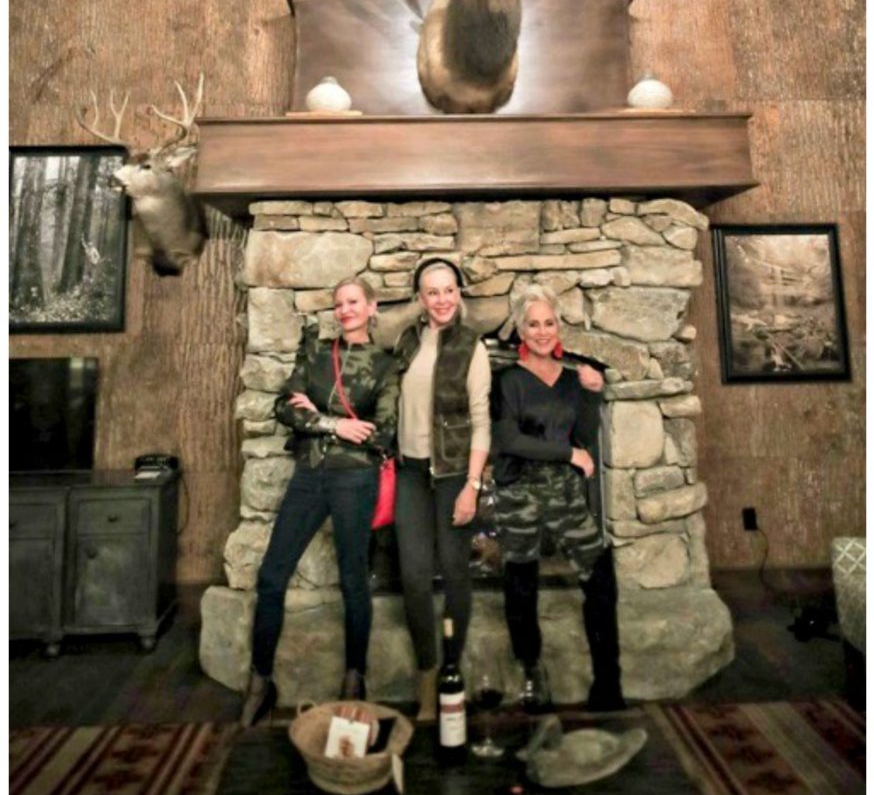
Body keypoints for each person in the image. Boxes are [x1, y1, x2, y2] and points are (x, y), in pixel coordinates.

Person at [240, 276, 400, 727]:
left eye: (353, 302)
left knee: (353, 580)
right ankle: (260, 679)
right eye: (338, 303)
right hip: (309, 478)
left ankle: (355, 678)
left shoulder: (387, 366)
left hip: (355, 482)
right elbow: (283, 408)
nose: (344, 310)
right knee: (272, 575)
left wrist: (316, 416)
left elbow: (383, 431)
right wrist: (335, 425)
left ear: (372, 307)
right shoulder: (314, 353)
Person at [492, 283, 626, 713]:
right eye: (533, 324)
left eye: (549, 322)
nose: (542, 331)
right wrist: (568, 453)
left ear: (558, 326)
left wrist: (591, 394)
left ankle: (608, 682)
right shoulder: (507, 380)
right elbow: (510, 440)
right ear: (520, 329)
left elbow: (585, 437)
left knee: (601, 576)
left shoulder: (572, 378)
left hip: (566, 494)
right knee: (521, 581)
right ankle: (533, 676)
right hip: (519, 493)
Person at [393, 257, 491, 722]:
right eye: (432, 292)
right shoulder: (407, 341)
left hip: (453, 475)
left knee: (455, 573)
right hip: (410, 474)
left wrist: (472, 485)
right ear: (420, 298)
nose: (442, 299)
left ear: (459, 293)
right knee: (413, 576)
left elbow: (482, 422)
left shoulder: (473, 346)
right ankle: (428, 674)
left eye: (449, 290)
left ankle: (452, 671)